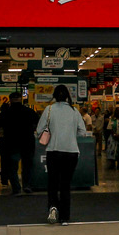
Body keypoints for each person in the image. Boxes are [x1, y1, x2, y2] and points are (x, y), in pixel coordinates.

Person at [38, 85, 89, 224]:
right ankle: (65, 217)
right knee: (65, 184)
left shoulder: (49, 110)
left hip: (53, 151)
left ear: (54, 96)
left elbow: (39, 130)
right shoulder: (74, 111)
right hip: (71, 152)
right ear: (67, 96)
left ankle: (53, 208)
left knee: (53, 182)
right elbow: (83, 132)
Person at [0, 92, 39, 195]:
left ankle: (16, 188)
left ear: (10, 99)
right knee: (27, 166)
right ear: (21, 99)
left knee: (13, 167)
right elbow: (38, 122)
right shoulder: (29, 111)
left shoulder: (6, 112)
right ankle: (27, 186)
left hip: (12, 143)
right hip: (27, 143)